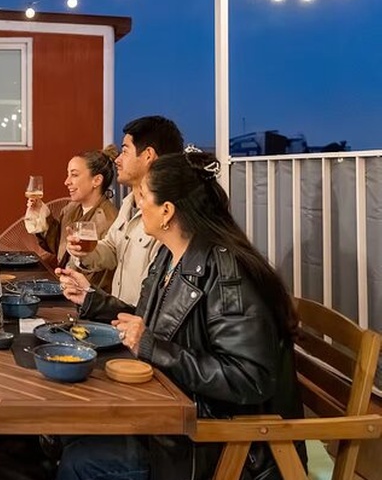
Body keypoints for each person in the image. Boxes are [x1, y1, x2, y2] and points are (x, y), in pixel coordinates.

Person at [56, 150, 306, 480]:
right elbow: (149, 323)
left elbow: (249, 377)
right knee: (69, 432)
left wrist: (152, 347)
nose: (137, 203)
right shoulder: (170, 256)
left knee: (81, 460)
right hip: (174, 415)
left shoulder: (228, 272)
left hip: (221, 443)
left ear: (167, 211)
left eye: (142, 196)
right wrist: (92, 299)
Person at [67, 115, 184, 305]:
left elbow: (160, 301)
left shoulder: (166, 215)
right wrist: (84, 251)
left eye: (125, 151)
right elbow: (112, 249)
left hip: (139, 326)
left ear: (148, 155)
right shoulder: (129, 203)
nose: (118, 160)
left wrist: (93, 301)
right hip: (118, 321)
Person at [24, 146, 119, 290]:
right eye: (68, 175)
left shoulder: (108, 220)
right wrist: (42, 215)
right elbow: (59, 248)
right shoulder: (71, 208)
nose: (67, 181)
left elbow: (99, 278)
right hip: (64, 287)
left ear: (97, 180)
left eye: (74, 175)